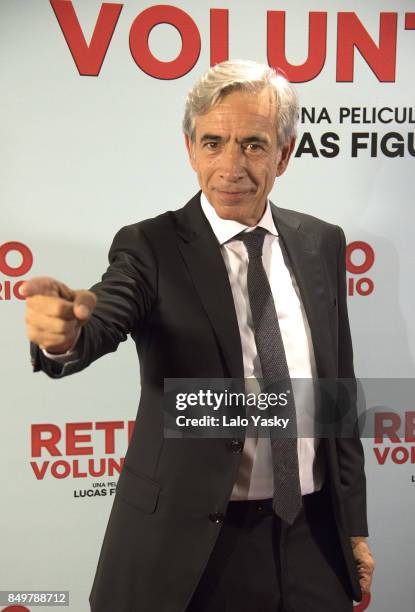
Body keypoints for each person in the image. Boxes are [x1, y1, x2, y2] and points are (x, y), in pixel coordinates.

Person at [23, 60, 374, 612]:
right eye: (213, 143)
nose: (230, 166)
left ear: (284, 153)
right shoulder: (150, 247)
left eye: (253, 145)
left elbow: (337, 394)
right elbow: (108, 310)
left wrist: (353, 526)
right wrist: (67, 335)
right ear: (190, 149)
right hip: (194, 548)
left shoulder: (321, 243)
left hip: (311, 541)